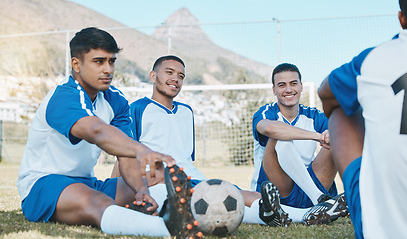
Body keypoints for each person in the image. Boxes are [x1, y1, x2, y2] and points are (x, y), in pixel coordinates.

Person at [111, 55, 348, 227]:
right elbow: (124, 154)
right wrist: (116, 190)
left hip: (192, 175)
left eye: (181, 75)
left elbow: (187, 157)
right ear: (153, 76)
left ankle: (304, 209)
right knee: (217, 203)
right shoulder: (136, 109)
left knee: (243, 195)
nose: (176, 79)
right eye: (169, 72)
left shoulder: (186, 112)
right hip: (161, 180)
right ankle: (305, 215)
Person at [16, 27, 202, 238]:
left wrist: (141, 189)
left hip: (87, 182)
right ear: (76, 64)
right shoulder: (63, 97)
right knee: (98, 201)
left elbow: (125, 154)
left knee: (160, 175)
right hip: (44, 185)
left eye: (111, 61)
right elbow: (96, 131)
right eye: (98, 61)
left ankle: (161, 211)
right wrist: (141, 149)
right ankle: (170, 228)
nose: (108, 69)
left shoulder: (116, 100)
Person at [318, 0, 407, 238]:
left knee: (343, 108)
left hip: (384, 229)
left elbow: (326, 94)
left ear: (401, 19)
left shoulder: (373, 60)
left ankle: (372, 207)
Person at [251, 63, 338, 208]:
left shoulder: (314, 115)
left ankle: (350, 195)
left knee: (337, 137)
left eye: (293, 83)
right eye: (282, 85)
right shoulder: (266, 112)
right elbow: (270, 128)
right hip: (278, 193)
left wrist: (331, 134)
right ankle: (318, 199)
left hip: (314, 186)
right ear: (274, 90)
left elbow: (340, 130)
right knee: (278, 135)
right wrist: (317, 136)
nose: (289, 89)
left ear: (301, 86)